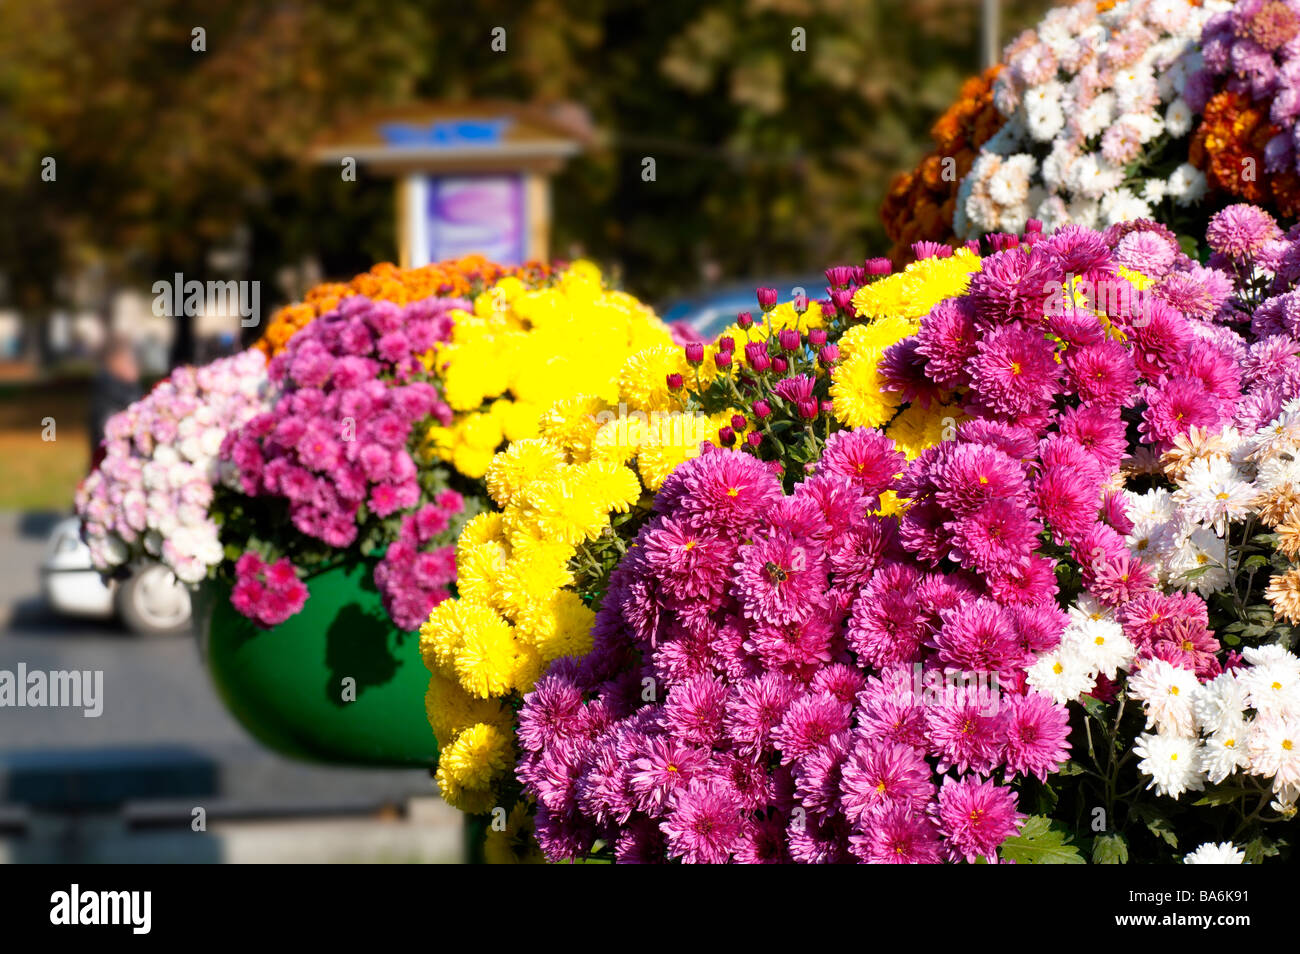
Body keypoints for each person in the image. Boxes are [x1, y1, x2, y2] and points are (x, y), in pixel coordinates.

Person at [87, 336, 142, 470]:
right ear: (115, 360)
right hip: (110, 466)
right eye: (129, 361)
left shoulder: (122, 387)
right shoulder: (108, 389)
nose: (135, 365)